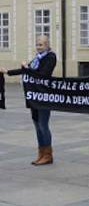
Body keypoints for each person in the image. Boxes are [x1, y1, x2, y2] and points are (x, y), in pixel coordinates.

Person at [0, 35, 57, 165]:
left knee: (43, 125)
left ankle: (48, 155)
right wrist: (7, 72)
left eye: (41, 44)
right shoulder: (37, 58)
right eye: (37, 44)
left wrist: (27, 68)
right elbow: (25, 71)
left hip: (44, 96)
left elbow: (42, 74)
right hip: (34, 96)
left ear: (48, 45)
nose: (38, 47)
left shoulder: (50, 57)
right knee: (37, 126)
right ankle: (41, 153)